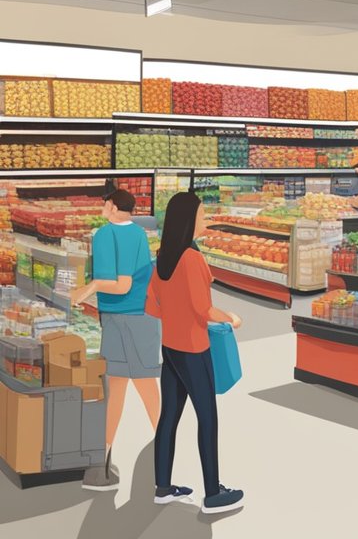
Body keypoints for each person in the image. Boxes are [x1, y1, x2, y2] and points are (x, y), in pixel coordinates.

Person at [144, 191, 245, 514]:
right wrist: (231, 318)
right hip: (193, 347)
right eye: (202, 214)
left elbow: (152, 307)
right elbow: (204, 310)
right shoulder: (192, 258)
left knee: (169, 417)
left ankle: (162, 486)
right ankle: (213, 493)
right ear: (189, 220)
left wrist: (176, 313)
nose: (204, 219)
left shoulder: (164, 256)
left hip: (170, 348)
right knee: (207, 418)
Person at [69, 189, 160, 492]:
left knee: (118, 388)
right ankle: (164, 452)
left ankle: (102, 463)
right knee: (142, 386)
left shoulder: (105, 235)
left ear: (113, 207)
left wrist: (86, 288)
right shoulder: (138, 234)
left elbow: (120, 286)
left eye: (106, 204)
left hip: (120, 318)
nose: (104, 208)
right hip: (143, 317)